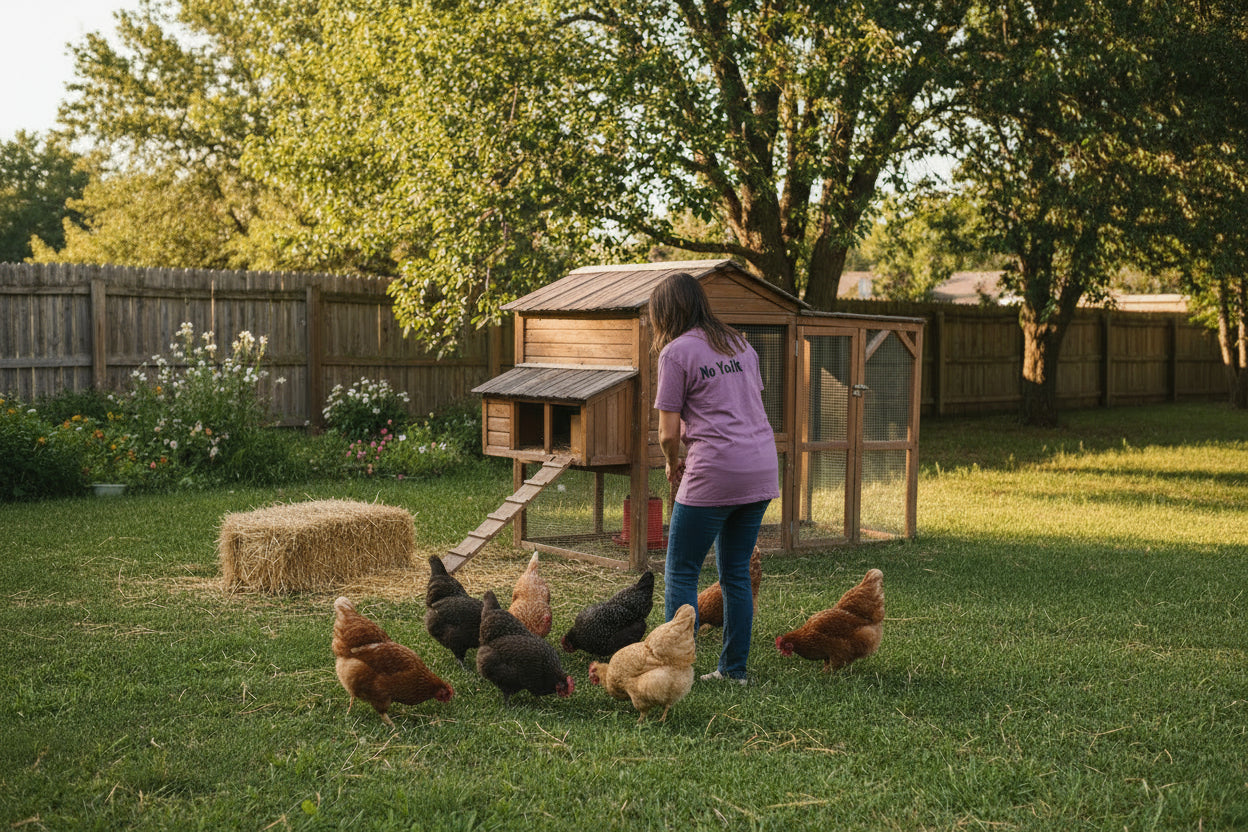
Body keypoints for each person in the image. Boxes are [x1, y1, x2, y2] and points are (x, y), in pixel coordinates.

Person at [650, 271, 779, 684]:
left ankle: (674, 668)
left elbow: (668, 433)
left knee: (683, 569)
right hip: (760, 466)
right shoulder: (739, 343)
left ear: (665, 313)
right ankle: (734, 671)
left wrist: (672, 462)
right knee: (736, 572)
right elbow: (745, 406)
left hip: (715, 470)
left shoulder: (675, 352)